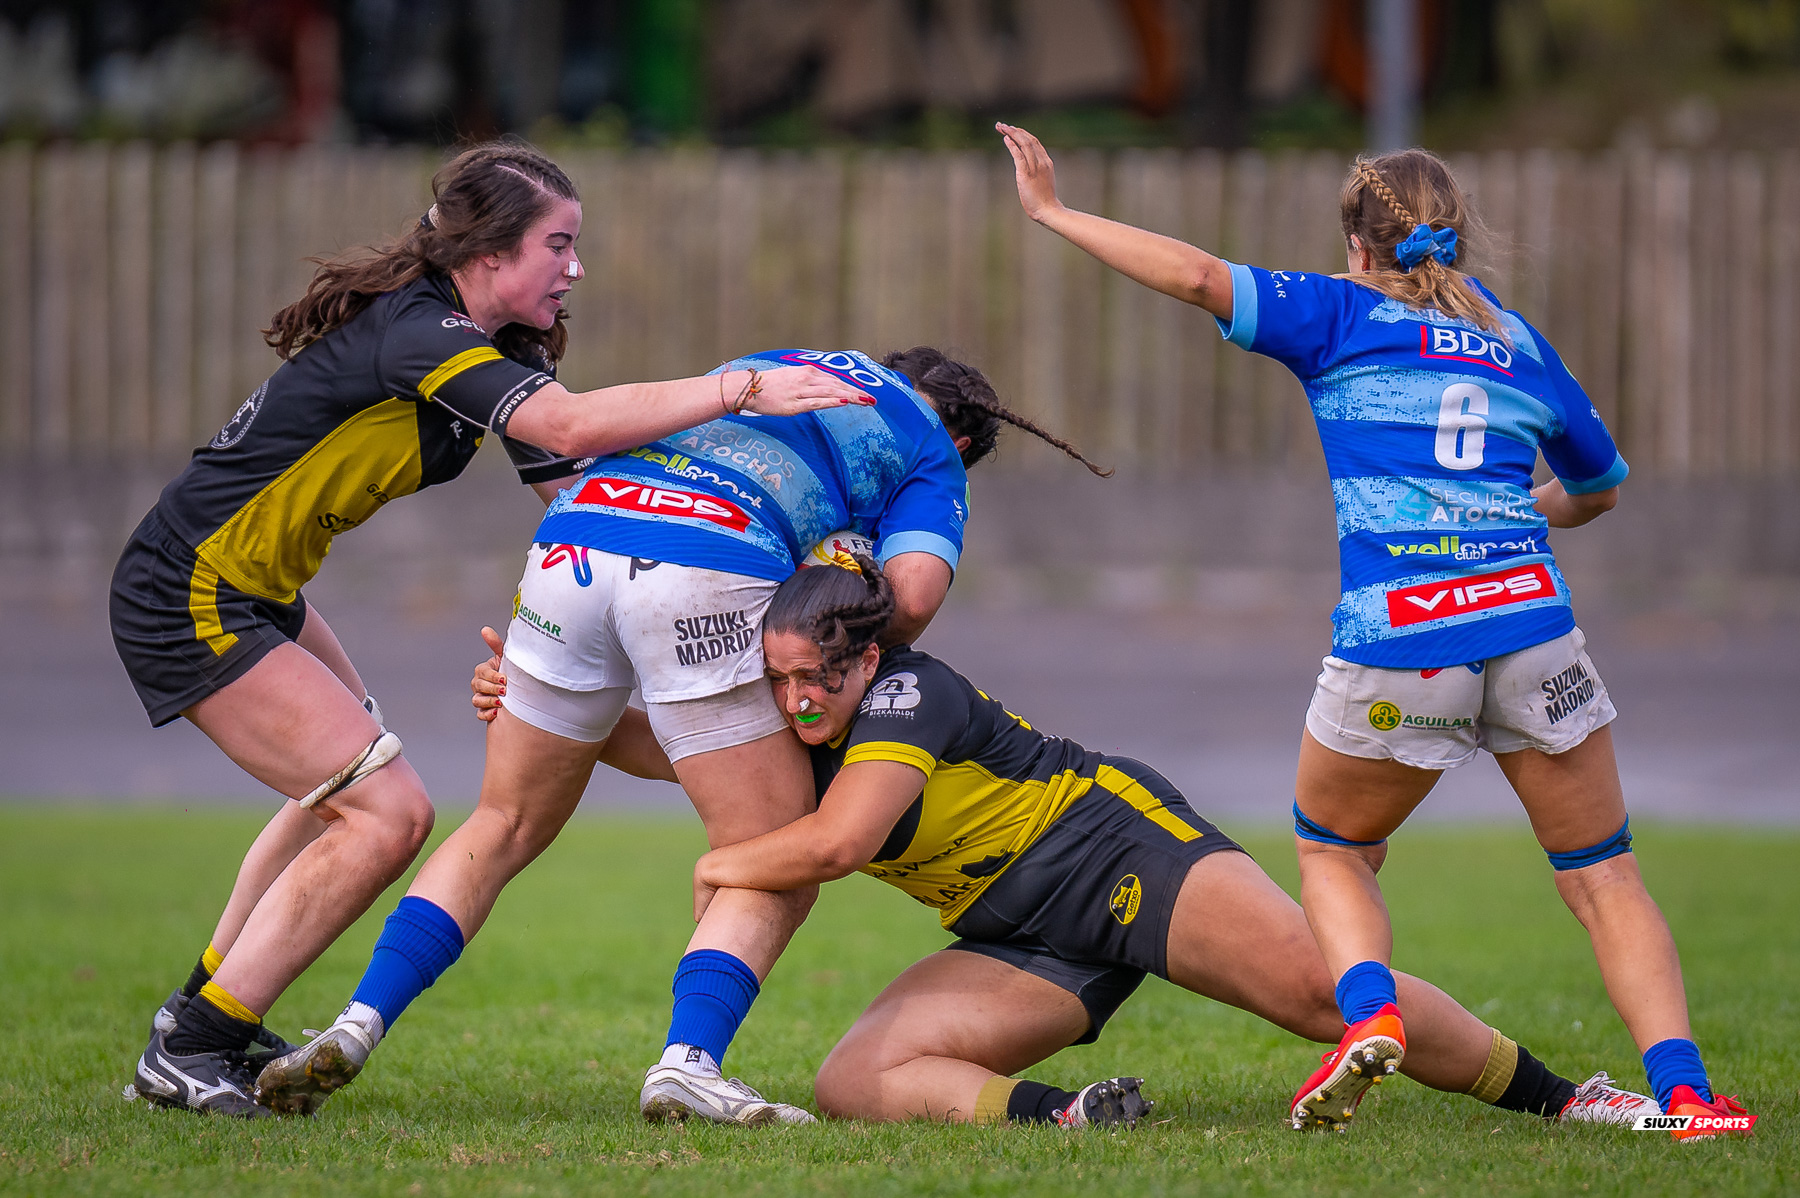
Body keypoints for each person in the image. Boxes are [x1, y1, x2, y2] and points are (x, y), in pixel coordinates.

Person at [992, 121, 1753, 1141]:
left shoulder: (1336, 315)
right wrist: (1527, 509)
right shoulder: (1517, 341)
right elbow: (1602, 488)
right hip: (1535, 633)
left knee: (1337, 848)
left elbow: (1189, 274)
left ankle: (1369, 1016)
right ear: (1459, 235)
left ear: (1357, 243)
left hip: (1406, 639)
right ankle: (1691, 1097)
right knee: (1605, 874)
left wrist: (1052, 210)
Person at [114, 142, 870, 1119]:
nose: (576, 267)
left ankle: (206, 1010)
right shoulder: (419, 331)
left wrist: (553, 655)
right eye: (559, 245)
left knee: (339, 785)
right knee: (386, 809)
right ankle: (192, 1043)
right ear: (489, 254)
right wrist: (736, 387)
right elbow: (569, 430)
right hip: (188, 586)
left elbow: (576, 509)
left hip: (259, 589)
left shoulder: (493, 353)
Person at [485, 556, 1656, 1131]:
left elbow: (839, 844)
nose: (791, 703)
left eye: (811, 680)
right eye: (776, 681)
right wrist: (549, 718)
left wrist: (722, 863)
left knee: (1314, 992)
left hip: (1112, 851)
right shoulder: (810, 705)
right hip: (1016, 927)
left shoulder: (904, 696)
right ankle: (1073, 1116)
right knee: (855, 1083)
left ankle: (1570, 1101)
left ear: (863, 659)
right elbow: (659, 748)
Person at [252, 346, 1111, 1123]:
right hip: (712, 561)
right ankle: (688, 1063)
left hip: (575, 541)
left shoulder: (786, 364)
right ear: (964, 440)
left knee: (503, 822)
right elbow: (913, 599)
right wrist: (844, 615)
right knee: (774, 854)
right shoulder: (930, 448)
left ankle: (355, 1023)